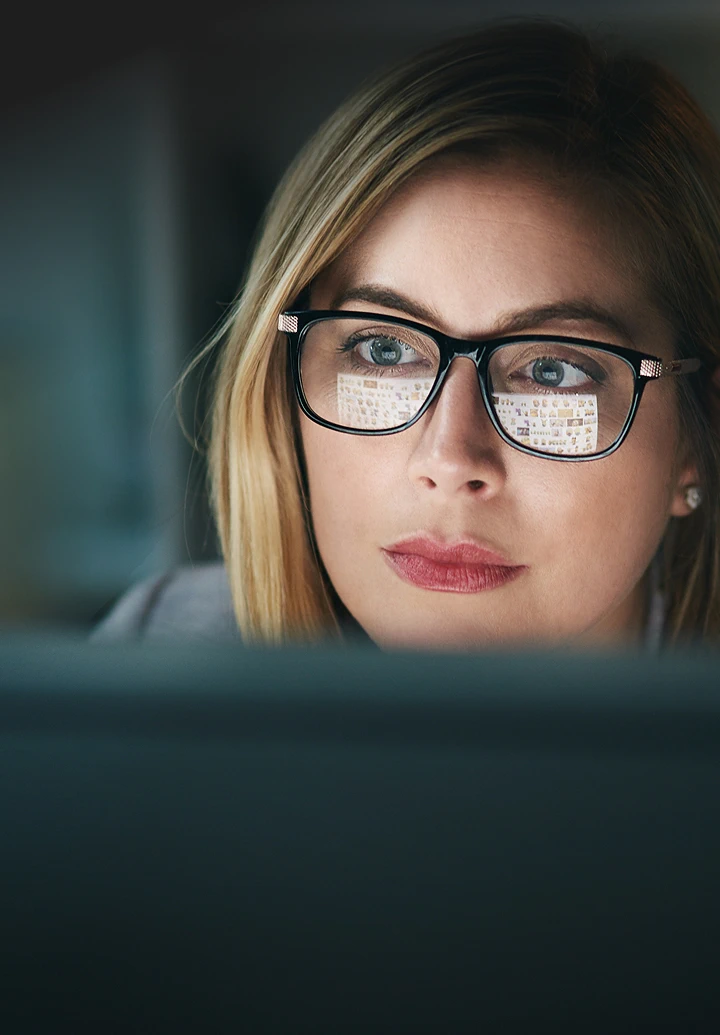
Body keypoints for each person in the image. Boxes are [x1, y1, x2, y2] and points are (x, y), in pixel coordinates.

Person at [91, 18, 720, 651]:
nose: (448, 462)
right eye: (383, 351)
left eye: (552, 370)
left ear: (699, 430)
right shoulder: (159, 654)